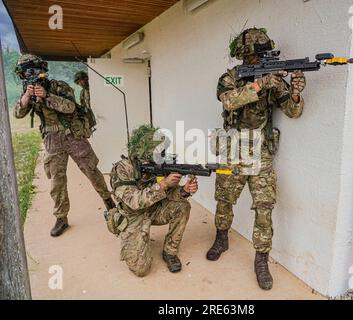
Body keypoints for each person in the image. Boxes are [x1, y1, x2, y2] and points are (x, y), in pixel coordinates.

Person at [207, 28, 307, 290]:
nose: (258, 59)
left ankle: (261, 259)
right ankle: (221, 238)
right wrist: (260, 84)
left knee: (264, 206)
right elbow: (228, 101)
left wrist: (295, 93)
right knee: (224, 199)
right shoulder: (230, 77)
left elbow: (292, 111)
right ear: (244, 56)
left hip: (261, 154)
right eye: (254, 55)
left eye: (262, 54)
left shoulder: (274, 79)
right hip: (233, 151)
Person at [13, 54, 115, 237]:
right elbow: (18, 114)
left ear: (41, 70)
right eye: (25, 74)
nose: (29, 76)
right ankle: (61, 218)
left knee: (92, 171)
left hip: (73, 136)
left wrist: (47, 96)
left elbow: (70, 107)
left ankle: (108, 201)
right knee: (57, 181)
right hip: (52, 139)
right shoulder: (27, 92)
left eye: (31, 71)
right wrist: (27, 95)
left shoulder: (59, 86)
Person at [109, 125, 198, 276]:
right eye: (158, 152)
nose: (162, 156)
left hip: (154, 209)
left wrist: (184, 191)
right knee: (141, 270)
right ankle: (138, 238)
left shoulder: (161, 164)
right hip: (133, 216)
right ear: (144, 152)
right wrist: (163, 184)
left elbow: (169, 194)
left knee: (183, 207)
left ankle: (169, 252)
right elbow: (133, 202)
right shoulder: (123, 169)